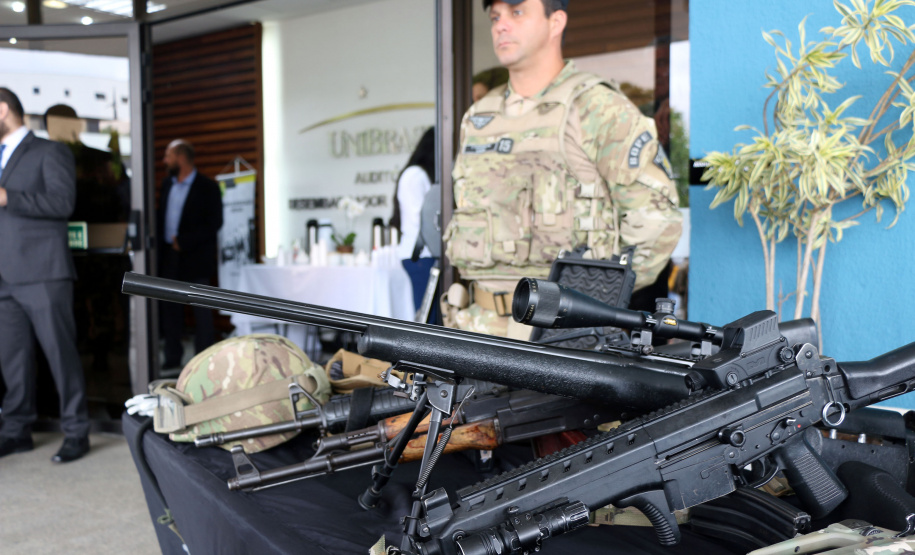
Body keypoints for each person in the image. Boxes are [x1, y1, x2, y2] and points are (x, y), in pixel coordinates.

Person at [442, 0, 683, 338]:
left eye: (517, 12)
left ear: (555, 22)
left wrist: (595, 302)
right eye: (495, 16)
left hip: (562, 333)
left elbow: (659, 223)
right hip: (478, 326)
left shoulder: (598, 108)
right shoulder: (479, 117)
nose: (501, 25)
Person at [0, 87, 91, 462]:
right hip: (4, 276)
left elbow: (62, 202)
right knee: (12, 359)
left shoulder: (50, 151)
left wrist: (9, 198)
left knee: (59, 354)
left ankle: (76, 432)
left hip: (42, 273)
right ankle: (16, 430)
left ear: (3, 110)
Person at [157, 139, 223, 368]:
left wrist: (184, 242)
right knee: (170, 308)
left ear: (181, 158)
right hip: (170, 257)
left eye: (169, 156)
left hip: (196, 257)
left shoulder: (208, 187)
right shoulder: (168, 185)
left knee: (201, 311)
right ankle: (172, 357)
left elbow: (214, 223)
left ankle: (203, 362)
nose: (165, 161)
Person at [390, 126, 440, 324]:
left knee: (430, 316)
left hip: (422, 255)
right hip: (420, 256)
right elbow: (421, 218)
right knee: (427, 317)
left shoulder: (419, 175)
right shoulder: (415, 175)